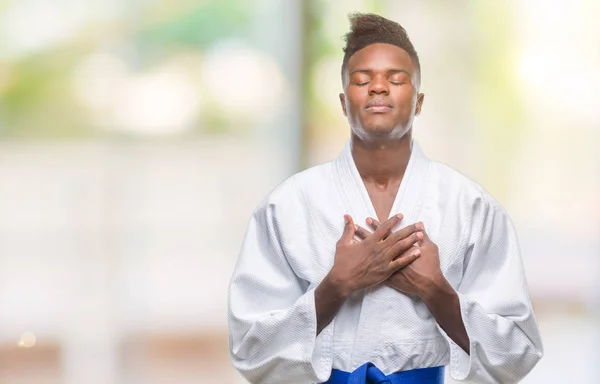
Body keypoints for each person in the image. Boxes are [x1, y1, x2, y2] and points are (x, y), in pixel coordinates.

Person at [227, 12, 543, 384]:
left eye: (396, 79)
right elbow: (249, 348)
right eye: (362, 80)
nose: (379, 87)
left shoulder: (471, 207)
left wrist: (437, 290)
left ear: (419, 101)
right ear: (344, 102)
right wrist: (336, 285)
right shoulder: (288, 206)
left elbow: (519, 352)